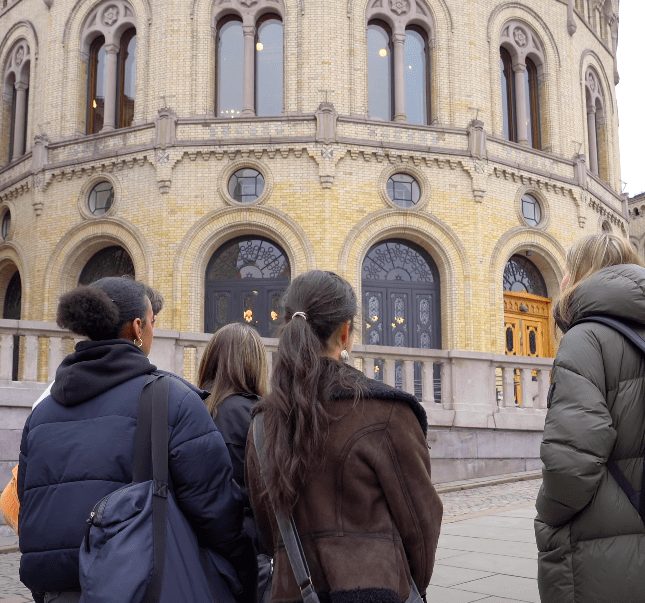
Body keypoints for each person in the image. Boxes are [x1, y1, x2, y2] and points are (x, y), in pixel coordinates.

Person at [18, 277, 257, 603]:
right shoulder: (173, 399)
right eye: (153, 322)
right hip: (144, 587)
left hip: (57, 591)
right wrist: (243, 577)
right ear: (137, 327)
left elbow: (30, 509)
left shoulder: (41, 414)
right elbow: (217, 512)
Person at [245, 270, 443, 603]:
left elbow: (269, 526)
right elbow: (421, 523)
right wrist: (409, 584)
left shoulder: (263, 422)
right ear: (346, 331)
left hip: (291, 591)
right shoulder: (386, 412)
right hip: (375, 589)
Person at [535, 233, 645, 602]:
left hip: (605, 536)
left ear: (580, 273)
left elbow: (572, 455)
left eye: (566, 269)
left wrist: (549, 515)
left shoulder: (587, 338)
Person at [198, 323, 272, 603]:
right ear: (254, 364)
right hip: (250, 555)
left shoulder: (192, 409)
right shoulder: (256, 415)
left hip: (199, 550)